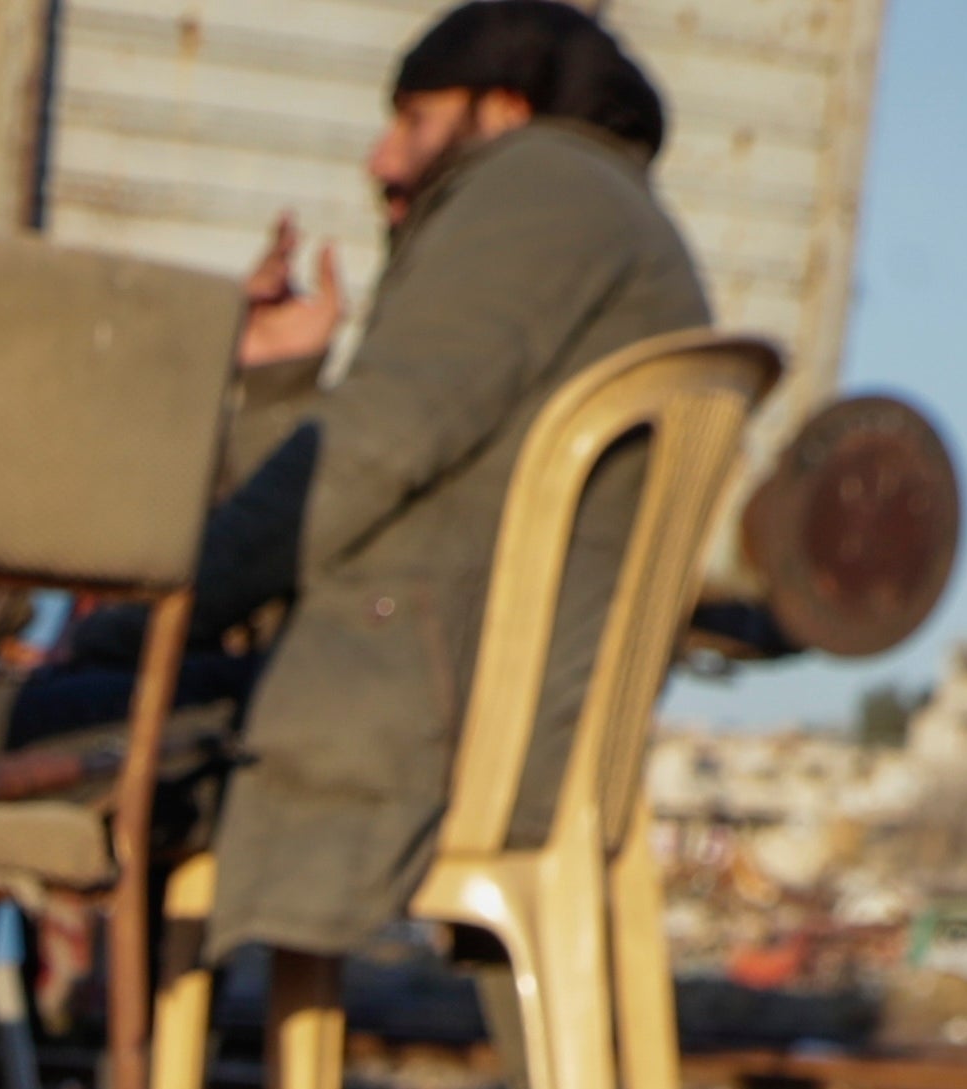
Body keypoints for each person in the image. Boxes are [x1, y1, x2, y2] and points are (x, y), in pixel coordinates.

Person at [178, 0, 707, 986]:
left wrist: (146, 610)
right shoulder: (612, 216)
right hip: (455, 704)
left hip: (418, 727)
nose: (382, 159)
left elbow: (372, 452)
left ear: (501, 110)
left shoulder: (540, 188)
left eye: (413, 121)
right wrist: (282, 383)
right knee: (46, 727)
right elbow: (365, 493)